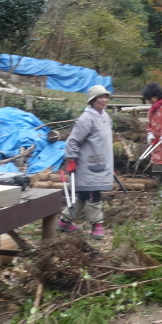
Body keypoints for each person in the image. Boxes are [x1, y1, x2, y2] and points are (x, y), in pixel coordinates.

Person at [58, 84, 114, 238]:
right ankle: (97, 226)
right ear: (92, 100)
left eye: (105, 97)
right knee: (93, 195)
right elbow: (73, 141)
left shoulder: (106, 117)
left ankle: (64, 221)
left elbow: (105, 143)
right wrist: (71, 160)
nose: (104, 100)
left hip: (102, 164)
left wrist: (110, 164)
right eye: (100, 97)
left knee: (84, 195)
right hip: (88, 165)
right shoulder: (86, 119)